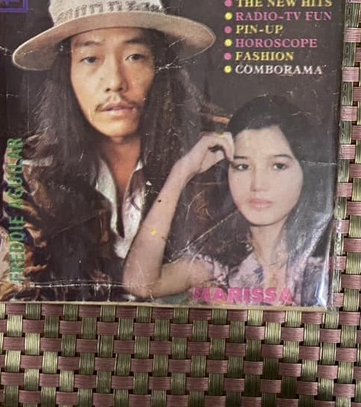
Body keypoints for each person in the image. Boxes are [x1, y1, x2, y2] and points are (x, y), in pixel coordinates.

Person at [0, 0, 223, 301]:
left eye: (135, 56)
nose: (115, 81)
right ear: (66, 73)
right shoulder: (30, 167)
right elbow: (13, 291)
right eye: (90, 59)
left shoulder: (217, 152)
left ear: (161, 66)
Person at [122, 94, 334, 307]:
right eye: (242, 166)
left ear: (306, 170)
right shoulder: (215, 268)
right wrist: (181, 173)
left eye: (278, 166)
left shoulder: (328, 263)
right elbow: (139, 283)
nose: (258, 184)